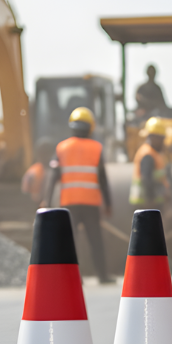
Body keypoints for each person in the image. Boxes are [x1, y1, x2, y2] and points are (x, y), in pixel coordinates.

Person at [45, 107, 113, 283]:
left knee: (69, 242)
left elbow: (53, 177)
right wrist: (108, 204)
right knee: (95, 240)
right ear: (91, 127)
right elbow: (103, 180)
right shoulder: (96, 148)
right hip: (90, 203)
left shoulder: (62, 147)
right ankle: (103, 276)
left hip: (69, 204)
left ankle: (73, 277)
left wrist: (46, 200)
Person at [130, 116, 172, 212]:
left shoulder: (156, 154)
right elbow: (146, 179)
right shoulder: (147, 154)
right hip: (146, 204)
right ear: (154, 137)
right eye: (161, 138)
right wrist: (151, 200)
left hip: (151, 204)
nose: (163, 141)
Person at [21, 139, 54, 207]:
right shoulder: (35, 171)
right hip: (36, 204)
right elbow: (26, 190)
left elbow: (25, 190)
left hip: (40, 203)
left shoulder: (33, 170)